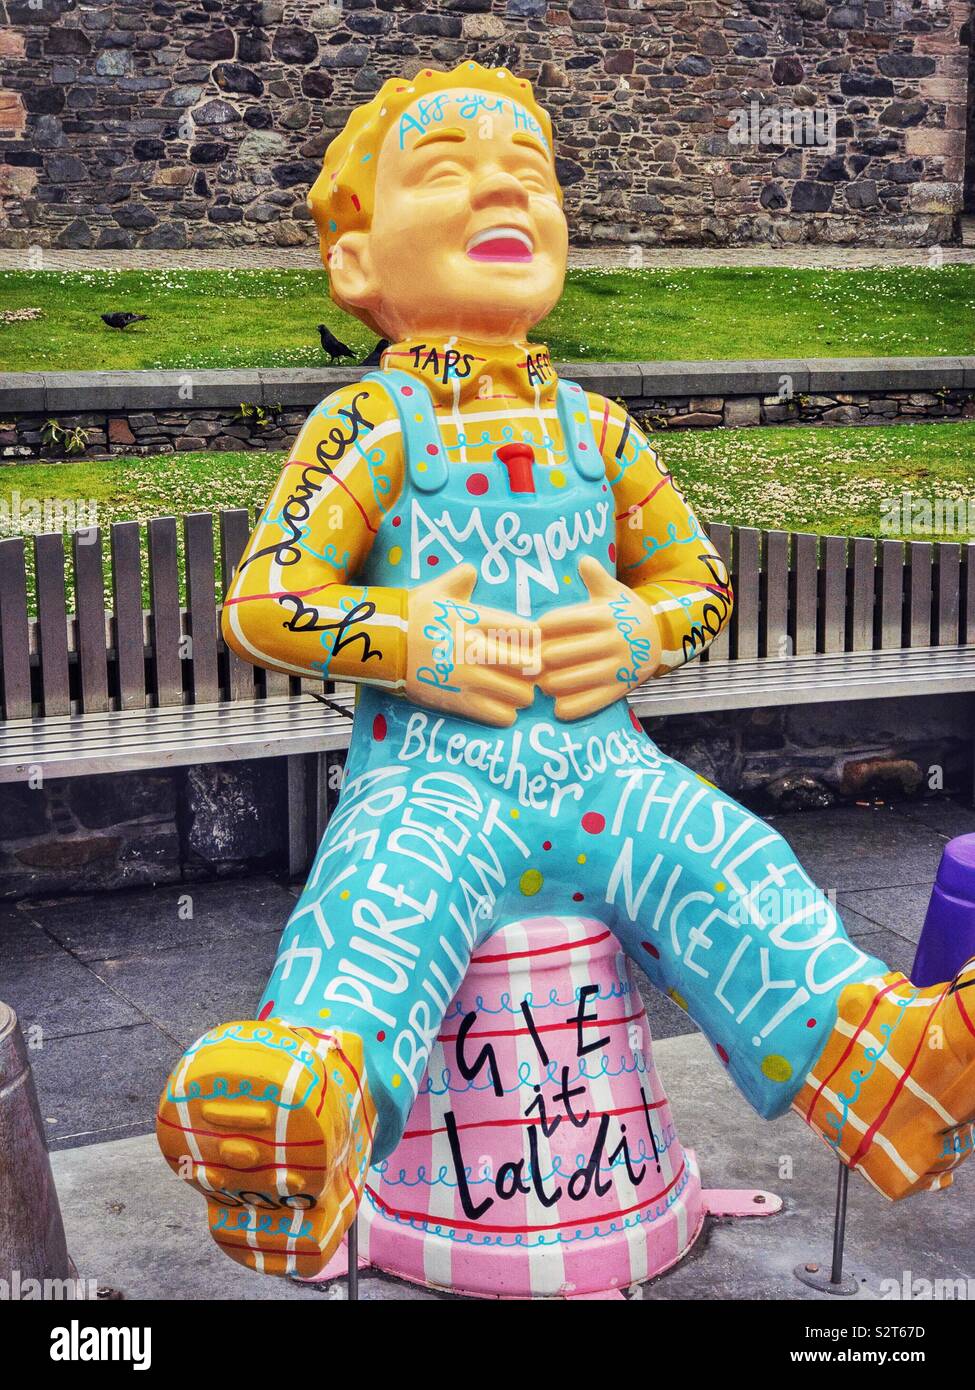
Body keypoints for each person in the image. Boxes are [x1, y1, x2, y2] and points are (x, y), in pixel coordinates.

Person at [156, 62, 975, 1281]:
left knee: (738, 867)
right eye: (446, 171)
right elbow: (266, 601)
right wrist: (413, 640)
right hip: (439, 782)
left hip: (611, 776)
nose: (501, 186)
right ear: (357, 266)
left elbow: (698, 580)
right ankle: (306, 1112)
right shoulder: (369, 429)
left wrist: (645, 632)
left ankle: (885, 1061)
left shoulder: (599, 430)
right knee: (382, 909)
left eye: (530, 174)